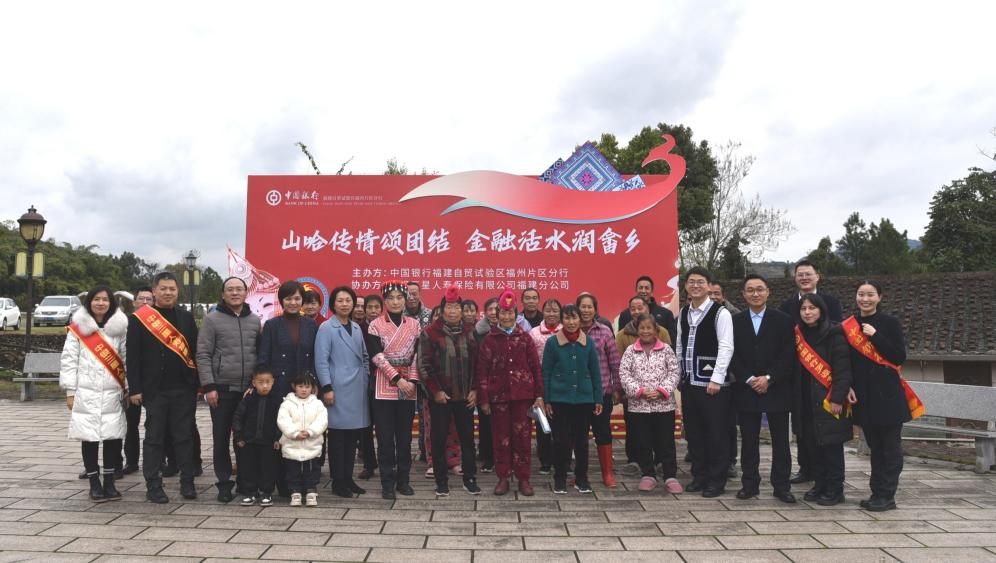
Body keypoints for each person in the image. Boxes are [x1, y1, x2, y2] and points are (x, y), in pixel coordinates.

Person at [845, 280, 922, 512]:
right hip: (864, 396)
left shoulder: (890, 323)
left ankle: (887, 495)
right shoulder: (849, 325)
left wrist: (875, 335)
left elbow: (898, 356)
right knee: (875, 448)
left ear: (880, 297)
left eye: (870, 294)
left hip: (887, 396)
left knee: (890, 449)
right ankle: (877, 493)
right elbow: (846, 362)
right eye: (861, 294)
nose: (865, 299)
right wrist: (847, 386)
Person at [127, 272, 199, 504]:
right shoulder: (140, 319)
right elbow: (133, 357)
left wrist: (196, 384)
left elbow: (194, 352)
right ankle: (153, 484)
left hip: (183, 389)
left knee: (184, 437)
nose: (168, 292)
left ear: (177, 291)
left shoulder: (186, 318)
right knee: (154, 438)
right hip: (154, 390)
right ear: (154, 291)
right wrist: (135, 388)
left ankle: (187, 481)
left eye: (172, 289)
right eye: (163, 288)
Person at [730, 274, 796, 504]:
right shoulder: (735, 321)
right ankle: (749, 484)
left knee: (781, 441)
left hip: (777, 388)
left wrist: (769, 378)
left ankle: (782, 486)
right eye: (750, 290)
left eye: (760, 289)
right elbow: (731, 354)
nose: (755, 294)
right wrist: (749, 379)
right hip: (746, 389)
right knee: (749, 441)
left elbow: (788, 354)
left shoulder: (784, 320)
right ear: (743, 294)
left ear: (768, 292)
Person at [61, 285, 129, 502]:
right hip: (86, 393)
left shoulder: (120, 329)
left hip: (113, 393)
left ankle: (109, 482)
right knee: (89, 438)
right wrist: (70, 391)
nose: (101, 303)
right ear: (89, 302)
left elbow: (126, 360)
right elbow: (69, 361)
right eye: (96, 299)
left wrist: (128, 388)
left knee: (113, 438)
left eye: (105, 299)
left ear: (112, 303)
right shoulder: (77, 329)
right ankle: (94, 483)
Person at [197, 276, 261, 503]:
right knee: (221, 436)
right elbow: (203, 355)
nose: (235, 293)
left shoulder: (254, 320)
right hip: (221, 389)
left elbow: (259, 353)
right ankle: (224, 483)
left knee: (245, 437)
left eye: (239, 289)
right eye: (230, 289)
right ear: (223, 294)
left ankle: (245, 481)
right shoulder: (212, 320)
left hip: (248, 390)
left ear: (246, 293)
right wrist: (209, 386)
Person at [780, 259, 843, 486]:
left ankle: (829, 480)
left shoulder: (831, 302)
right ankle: (806, 469)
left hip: (824, 376)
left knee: (825, 430)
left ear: (818, 276)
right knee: (802, 425)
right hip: (799, 375)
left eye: (808, 274)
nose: (804, 278)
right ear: (795, 278)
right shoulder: (786, 306)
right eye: (800, 274)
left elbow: (839, 340)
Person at [477, 290, 544, 496]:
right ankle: (503, 477)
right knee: (501, 438)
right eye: (503, 313)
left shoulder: (525, 338)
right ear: (498, 315)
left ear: (516, 314)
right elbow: (482, 371)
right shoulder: (490, 339)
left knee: (523, 438)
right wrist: (484, 399)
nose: (507, 317)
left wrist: (539, 395)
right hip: (498, 398)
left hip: (523, 398)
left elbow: (535, 368)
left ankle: (523, 478)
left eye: (510, 313)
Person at [676, 267, 734, 498]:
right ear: (686, 286)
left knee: (716, 433)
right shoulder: (683, 313)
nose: (696, 286)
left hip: (713, 385)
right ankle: (699, 476)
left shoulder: (721, 313)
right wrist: (679, 373)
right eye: (691, 282)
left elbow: (726, 346)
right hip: (689, 383)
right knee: (695, 432)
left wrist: (717, 378)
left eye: (700, 282)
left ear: (709, 286)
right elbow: (679, 345)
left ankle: (716, 480)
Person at [418, 286, 482, 497]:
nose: (453, 311)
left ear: (462, 311)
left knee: (467, 439)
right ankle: (441, 481)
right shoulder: (430, 333)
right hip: (440, 397)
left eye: (457, 308)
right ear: (442, 310)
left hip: (465, 396)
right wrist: (435, 391)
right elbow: (423, 365)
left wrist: (475, 389)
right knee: (438, 438)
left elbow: (479, 364)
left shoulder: (471, 331)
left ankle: (469, 478)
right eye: (449, 307)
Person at [795, 293, 854, 506]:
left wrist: (838, 398)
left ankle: (835, 490)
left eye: (812, 308)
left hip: (829, 399)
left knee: (831, 447)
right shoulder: (798, 334)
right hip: (805, 400)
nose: (807, 312)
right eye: (803, 309)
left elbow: (843, 369)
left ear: (821, 310)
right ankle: (819, 484)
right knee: (813, 446)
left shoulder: (834, 333)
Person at [315, 286, 371, 498]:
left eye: (348, 300)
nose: (345, 304)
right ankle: (338, 481)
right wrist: (327, 387)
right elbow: (321, 360)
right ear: (333, 304)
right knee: (338, 437)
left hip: (356, 387)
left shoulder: (356, 327)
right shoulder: (326, 328)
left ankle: (348, 478)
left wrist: (365, 375)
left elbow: (364, 356)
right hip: (337, 388)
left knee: (353, 436)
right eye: (340, 300)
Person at [368, 281, 421, 499]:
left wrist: (413, 381)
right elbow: (377, 356)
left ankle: (404, 480)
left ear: (405, 299)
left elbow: (418, 354)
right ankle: (387, 482)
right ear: (385, 301)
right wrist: (398, 379)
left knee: (405, 437)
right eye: (391, 298)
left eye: (400, 297)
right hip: (384, 384)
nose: (396, 302)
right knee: (385, 437)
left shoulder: (415, 324)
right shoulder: (375, 325)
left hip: (409, 386)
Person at [619, 313, 682, 493]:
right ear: (637, 330)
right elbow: (624, 374)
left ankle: (670, 475)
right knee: (643, 441)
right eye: (642, 328)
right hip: (639, 406)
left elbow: (674, 372)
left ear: (656, 330)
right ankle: (648, 475)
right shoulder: (630, 351)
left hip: (664, 406)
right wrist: (639, 391)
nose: (645, 331)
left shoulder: (666, 349)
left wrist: (662, 391)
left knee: (666, 441)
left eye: (649, 328)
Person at [542, 304, 601, 494]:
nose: (571, 322)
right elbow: (546, 372)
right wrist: (547, 399)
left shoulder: (588, 342)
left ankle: (581, 478)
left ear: (580, 320)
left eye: (574, 318)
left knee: (582, 442)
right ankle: (559, 478)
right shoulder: (552, 343)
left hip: (584, 399)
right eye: (567, 318)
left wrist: (598, 398)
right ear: (562, 320)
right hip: (559, 399)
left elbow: (595, 372)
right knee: (560, 441)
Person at [616, 295, 672, 474]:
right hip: (636, 398)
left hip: (662, 400)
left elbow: (672, 369)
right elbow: (621, 368)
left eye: (640, 307)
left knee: (662, 434)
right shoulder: (624, 338)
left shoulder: (663, 336)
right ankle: (639, 464)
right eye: (633, 308)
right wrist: (635, 390)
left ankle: (663, 465)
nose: (636, 311)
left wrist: (661, 390)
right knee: (638, 433)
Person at [577, 293, 621, 488]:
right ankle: (580, 474)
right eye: (583, 306)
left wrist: (617, 388)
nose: (586, 310)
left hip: (601, 393)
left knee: (602, 432)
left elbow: (615, 362)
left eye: (589, 307)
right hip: (577, 395)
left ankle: (607, 474)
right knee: (578, 435)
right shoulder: (570, 331)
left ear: (595, 310)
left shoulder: (604, 332)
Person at [258, 281, 318, 402]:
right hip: (278, 385)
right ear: (281, 301)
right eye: (288, 299)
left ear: (302, 300)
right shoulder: (271, 325)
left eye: (297, 298)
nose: (293, 303)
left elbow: (315, 357)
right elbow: (263, 357)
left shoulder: (311, 324)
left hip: (305, 386)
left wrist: (314, 381)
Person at [233, 365, 282, 506]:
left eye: (268, 382)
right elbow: (238, 417)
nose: (265, 386)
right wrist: (239, 436)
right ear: (254, 383)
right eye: (261, 382)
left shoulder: (277, 400)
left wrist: (278, 438)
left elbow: (281, 421)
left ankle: (267, 492)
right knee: (249, 467)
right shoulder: (248, 399)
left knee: (268, 467)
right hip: (249, 441)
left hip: (269, 441)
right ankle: (250, 492)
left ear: (273, 382)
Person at [278, 372, 328, 507]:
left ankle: (311, 491)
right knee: (293, 471)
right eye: (300, 386)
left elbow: (322, 421)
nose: (304, 390)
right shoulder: (287, 403)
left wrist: (311, 432)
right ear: (294, 387)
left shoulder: (317, 404)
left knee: (311, 470)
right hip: (292, 445)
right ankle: (295, 492)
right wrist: (294, 433)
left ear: (312, 388)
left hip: (312, 445)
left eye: (307, 386)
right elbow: (283, 420)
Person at [122, 286, 153, 476]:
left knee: (155, 425)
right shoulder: (124, 324)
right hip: (131, 382)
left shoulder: (159, 324)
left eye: (149, 299)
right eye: (141, 299)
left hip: (152, 383)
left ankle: (159, 460)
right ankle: (131, 461)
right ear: (134, 302)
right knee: (130, 425)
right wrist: (129, 385)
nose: (145, 302)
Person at [528, 298, 562, 475]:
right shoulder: (534, 333)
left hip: (561, 385)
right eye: (548, 310)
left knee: (562, 424)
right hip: (540, 383)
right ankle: (545, 461)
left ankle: (562, 460)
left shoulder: (566, 331)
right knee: (543, 424)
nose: (551, 314)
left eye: (555, 311)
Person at [356, 294, 384, 480]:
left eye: (376, 307)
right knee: (365, 425)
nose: (373, 311)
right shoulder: (358, 329)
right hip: (363, 380)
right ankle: (369, 463)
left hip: (384, 380)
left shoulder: (386, 327)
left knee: (383, 425)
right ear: (364, 310)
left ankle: (386, 461)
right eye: (370, 307)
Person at [473, 297, 500, 473]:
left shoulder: (510, 329)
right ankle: (487, 457)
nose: (493, 312)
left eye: (496, 309)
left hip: (503, 383)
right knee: (486, 421)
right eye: (489, 309)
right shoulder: (478, 332)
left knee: (503, 422)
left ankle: (503, 456)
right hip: (485, 383)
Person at [617, 276, 677, 348]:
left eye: (647, 288)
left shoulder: (666, 314)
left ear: (652, 292)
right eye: (640, 288)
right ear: (636, 290)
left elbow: (672, 343)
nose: (643, 291)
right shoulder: (625, 315)